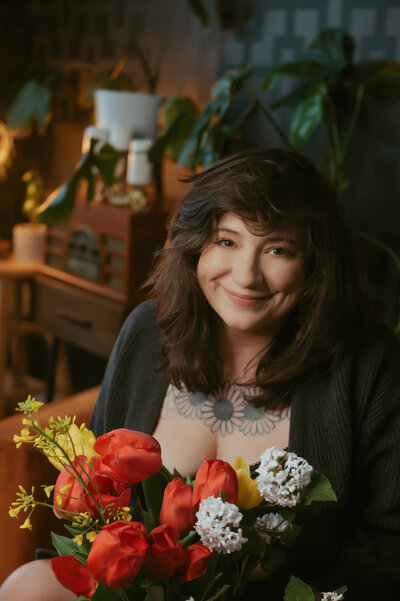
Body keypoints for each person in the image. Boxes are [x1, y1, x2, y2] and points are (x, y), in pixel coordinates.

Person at [1, 148, 399, 600]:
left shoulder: (368, 360)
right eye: (226, 241)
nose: (246, 276)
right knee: (24, 587)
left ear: (314, 265)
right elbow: (96, 495)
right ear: (195, 247)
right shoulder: (147, 330)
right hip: (141, 593)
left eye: (278, 249)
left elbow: (389, 548)